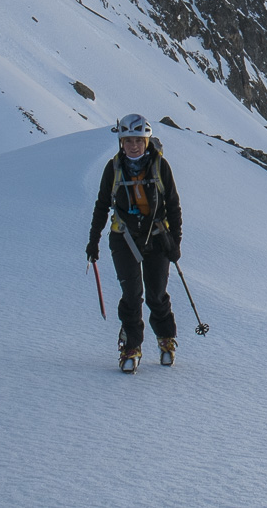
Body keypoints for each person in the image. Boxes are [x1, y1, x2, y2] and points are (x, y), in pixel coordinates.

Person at [87, 114, 183, 372]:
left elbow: (173, 206)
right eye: (128, 140)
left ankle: (165, 339)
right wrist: (93, 241)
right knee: (132, 296)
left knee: (156, 294)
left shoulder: (160, 167)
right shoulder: (113, 168)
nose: (133, 146)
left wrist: (175, 242)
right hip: (123, 239)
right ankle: (132, 345)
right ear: (121, 142)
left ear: (146, 140)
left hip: (157, 239)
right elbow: (102, 205)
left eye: (138, 140)